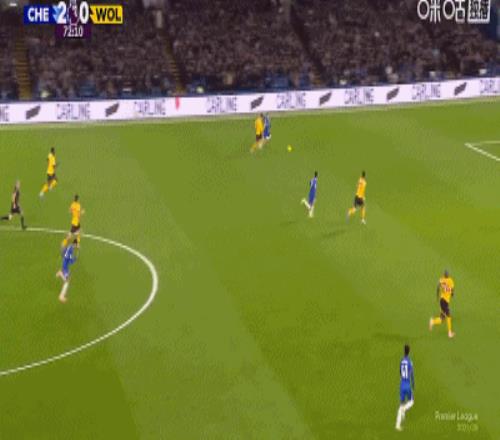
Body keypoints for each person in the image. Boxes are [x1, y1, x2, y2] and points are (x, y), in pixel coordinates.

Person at [429, 270, 455, 338]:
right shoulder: (450, 281)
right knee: (448, 315)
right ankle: (449, 333)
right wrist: (452, 294)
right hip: (445, 302)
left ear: (444, 274)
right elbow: (452, 291)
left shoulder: (441, 280)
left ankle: (432, 321)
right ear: (448, 275)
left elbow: (438, 288)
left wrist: (437, 296)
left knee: (442, 318)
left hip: (442, 300)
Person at [395, 344, 415, 431]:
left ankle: (397, 425)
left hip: (402, 384)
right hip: (407, 384)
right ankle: (404, 409)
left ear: (404, 351)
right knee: (411, 401)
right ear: (409, 351)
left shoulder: (401, 361)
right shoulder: (410, 362)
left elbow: (400, 372)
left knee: (401, 403)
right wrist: (413, 384)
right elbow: (412, 375)